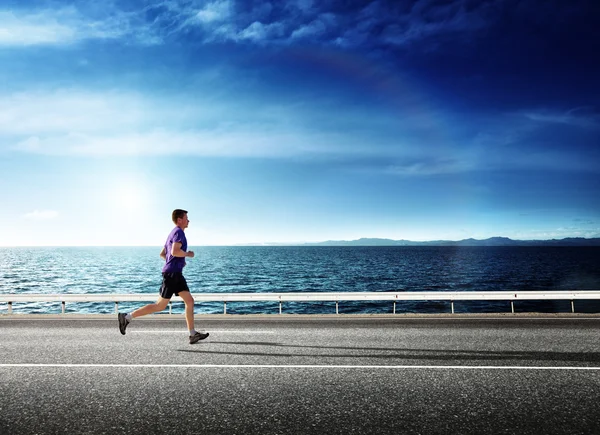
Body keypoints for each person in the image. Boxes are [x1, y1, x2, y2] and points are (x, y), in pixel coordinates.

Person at [118, 209, 209, 344]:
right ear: (179, 220)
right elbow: (174, 251)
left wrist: (176, 263)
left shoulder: (172, 234)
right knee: (159, 306)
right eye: (186, 218)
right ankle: (127, 317)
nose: (188, 220)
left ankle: (192, 334)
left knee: (189, 301)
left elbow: (163, 254)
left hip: (175, 274)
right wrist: (188, 254)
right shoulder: (178, 232)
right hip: (172, 275)